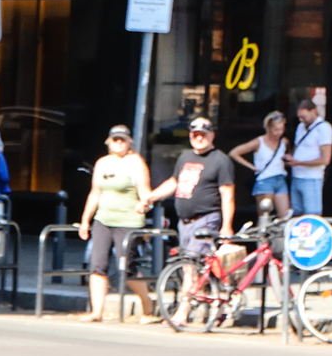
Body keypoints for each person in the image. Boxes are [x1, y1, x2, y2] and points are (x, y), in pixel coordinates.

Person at [77, 125, 152, 322]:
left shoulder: (135, 162)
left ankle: (147, 303)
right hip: (103, 219)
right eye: (115, 140)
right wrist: (86, 220)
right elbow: (95, 192)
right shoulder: (102, 163)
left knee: (127, 267)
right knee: (97, 265)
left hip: (128, 220)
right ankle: (97, 311)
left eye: (123, 140)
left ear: (129, 142)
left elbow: (145, 191)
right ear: (108, 142)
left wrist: (144, 204)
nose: (119, 143)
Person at [149, 116, 236, 260]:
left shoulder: (221, 160)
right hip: (184, 222)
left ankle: (188, 284)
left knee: (191, 263)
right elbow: (174, 182)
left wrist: (227, 226)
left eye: (203, 135)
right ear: (190, 136)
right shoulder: (185, 156)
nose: (199, 138)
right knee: (188, 264)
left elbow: (228, 195)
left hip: (206, 220)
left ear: (212, 135)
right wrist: (150, 197)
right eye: (196, 135)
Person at [231, 111, 290, 217]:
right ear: (268, 127)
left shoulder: (284, 141)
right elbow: (234, 153)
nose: (279, 133)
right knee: (264, 217)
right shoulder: (259, 142)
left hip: (280, 178)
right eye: (276, 129)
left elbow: (287, 155)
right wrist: (252, 167)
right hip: (265, 180)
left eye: (282, 129)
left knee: (285, 216)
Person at [288, 98, 332, 217]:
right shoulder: (300, 127)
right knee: (296, 212)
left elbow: (325, 159)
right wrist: (290, 157)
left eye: (304, 117)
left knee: (312, 213)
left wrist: (299, 162)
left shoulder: (324, 128)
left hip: (312, 177)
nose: (301, 120)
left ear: (313, 111)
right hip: (296, 176)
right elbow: (298, 148)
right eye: (299, 117)